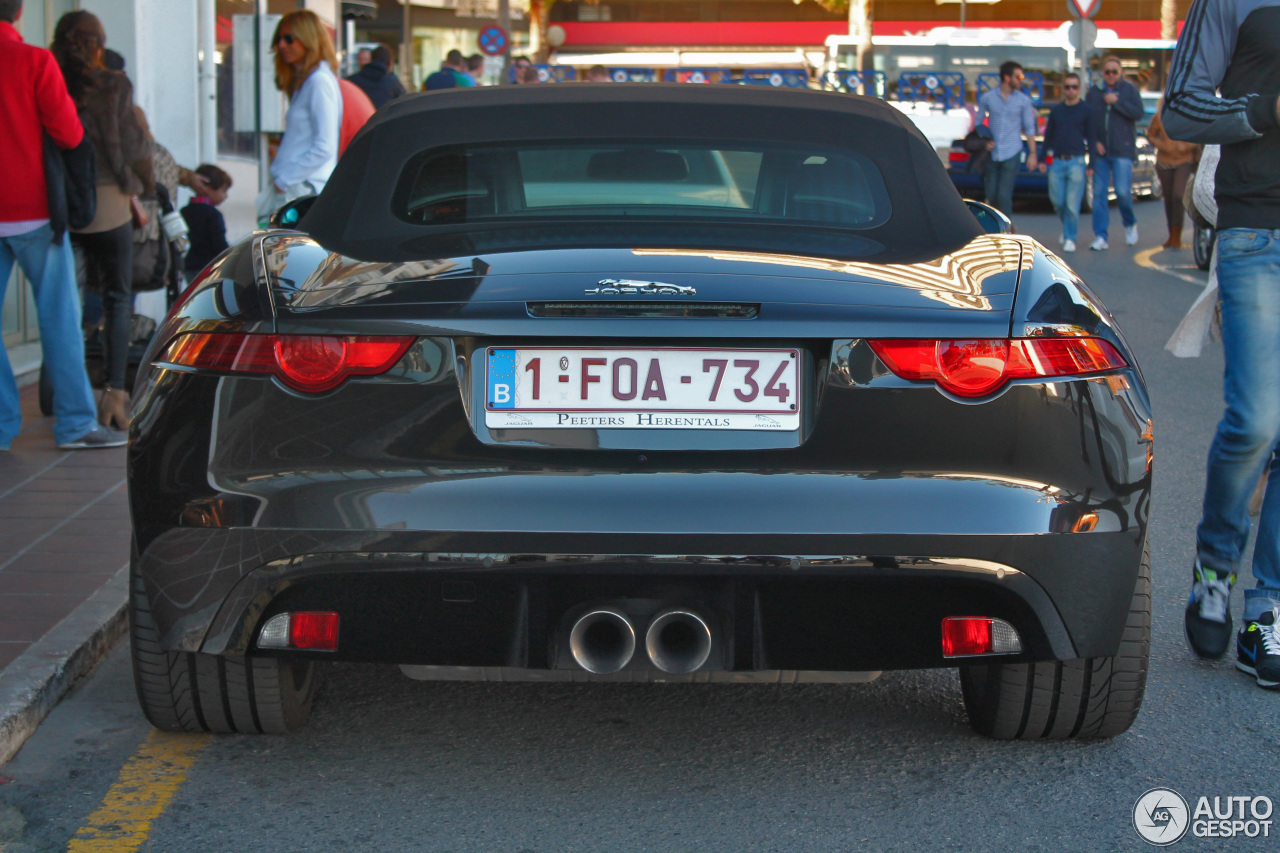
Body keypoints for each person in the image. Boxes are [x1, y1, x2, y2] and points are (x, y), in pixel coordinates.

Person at [1163, 0, 1280, 689]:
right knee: (1258, 421)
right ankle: (1214, 569)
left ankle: (1267, 609)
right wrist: (1266, 111)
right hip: (1258, 230)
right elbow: (1181, 110)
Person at [0, 0, 123, 450]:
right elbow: (70, 134)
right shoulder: (34, 60)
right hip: (34, 211)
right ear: (18, 12)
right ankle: (74, 424)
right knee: (59, 319)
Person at [53, 10, 154, 432]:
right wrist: (141, 188)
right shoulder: (114, 84)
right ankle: (115, 394)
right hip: (109, 201)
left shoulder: (51, 81)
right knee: (116, 297)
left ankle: (63, 390)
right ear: (98, 43)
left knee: (62, 302)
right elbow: (131, 147)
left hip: (58, 203)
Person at [258, 9, 340, 225]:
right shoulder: (307, 81)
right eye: (278, 39)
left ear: (308, 39)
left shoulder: (318, 82)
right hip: (294, 186)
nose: (281, 46)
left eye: (289, 39)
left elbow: (325, 146)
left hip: (300, 188)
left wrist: (285, 180)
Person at [1085, 56, 1144, 250]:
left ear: (1120, 73)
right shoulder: (1094, 93)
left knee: (1122, 192)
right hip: (1101, 153)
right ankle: (1101, 236)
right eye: (1107, 71)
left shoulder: (1129, 90)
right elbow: (1088, 121)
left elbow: (1138, 113)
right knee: (1099, 194)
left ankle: (1129, 224)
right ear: (1102, 73)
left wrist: (1117, 102)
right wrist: (1095, 142)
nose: (1110, 75)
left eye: (1114, 72)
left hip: (1122, 150)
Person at [974, 60, 1037, 217]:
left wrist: (1032, 153)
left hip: (1012, 150)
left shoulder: (1023, 101)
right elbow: (978, 122)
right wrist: (984, 139)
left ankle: (1007, 234)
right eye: (1018, 76)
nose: (1021, 79)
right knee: (991, 194)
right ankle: (994, 230)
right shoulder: (988, 98)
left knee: (1004, 195)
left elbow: (1029, 128)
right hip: (992, 151)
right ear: (1007, 78)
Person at [1040, 72, 1093, 252]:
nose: (1071, 90)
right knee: (1057, 201)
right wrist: (1041, 159)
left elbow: (1092, 138)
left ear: (1079, 89)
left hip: (1077, 161)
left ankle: (1070, 237)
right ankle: (1067, 227)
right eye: (1067, 86)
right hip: (1057, 161)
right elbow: (1048, 136)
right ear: (1063, 89)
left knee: (1072, 203)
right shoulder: (1056, 111)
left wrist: (1091, 163)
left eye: (1074, 87)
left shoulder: (1086, 110)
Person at [1146, 99, 1200, 248]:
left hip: (1185, 160)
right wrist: (1162, 145)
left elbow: (1198, 134)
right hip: (1165, 161)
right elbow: (1150, 135)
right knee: (1169, 198)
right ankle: (1172, 234)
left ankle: (1177, 235)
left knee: (1178, 195)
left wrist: (1188, 145)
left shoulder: (1190, 115)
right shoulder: (1159, 116)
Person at [181, 164, 231, 276]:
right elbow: (219, 244)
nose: (225, 196)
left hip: (189, 266)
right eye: (223, 191)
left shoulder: (185, 211)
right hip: (210, 267)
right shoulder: (213, 214)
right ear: (207, 188)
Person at [345, 44, 405, 109]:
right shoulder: (393, 83)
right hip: (384, 118)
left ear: (370, 59)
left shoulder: (352, 81)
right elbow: (403, 103)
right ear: (389, 62)